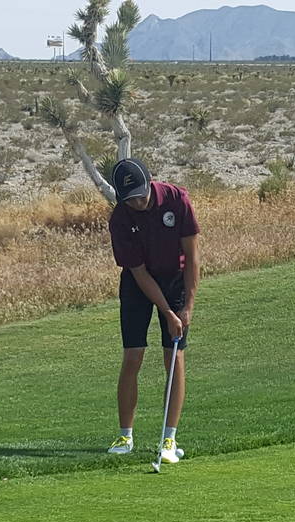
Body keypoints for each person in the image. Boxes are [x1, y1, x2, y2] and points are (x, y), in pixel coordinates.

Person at [106, 158, 200, 465]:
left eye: (142, 194)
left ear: (150, 182)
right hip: (138, 284)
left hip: (175, 280)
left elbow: (192, 256)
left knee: (173, 357)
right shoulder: (120, 218)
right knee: (133, 356)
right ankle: (125, 435)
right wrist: (167, 312)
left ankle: (169, 439)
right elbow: (139, 272)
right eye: (130, 198)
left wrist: (185, 308)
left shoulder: (177, 199)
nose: (138, 201)